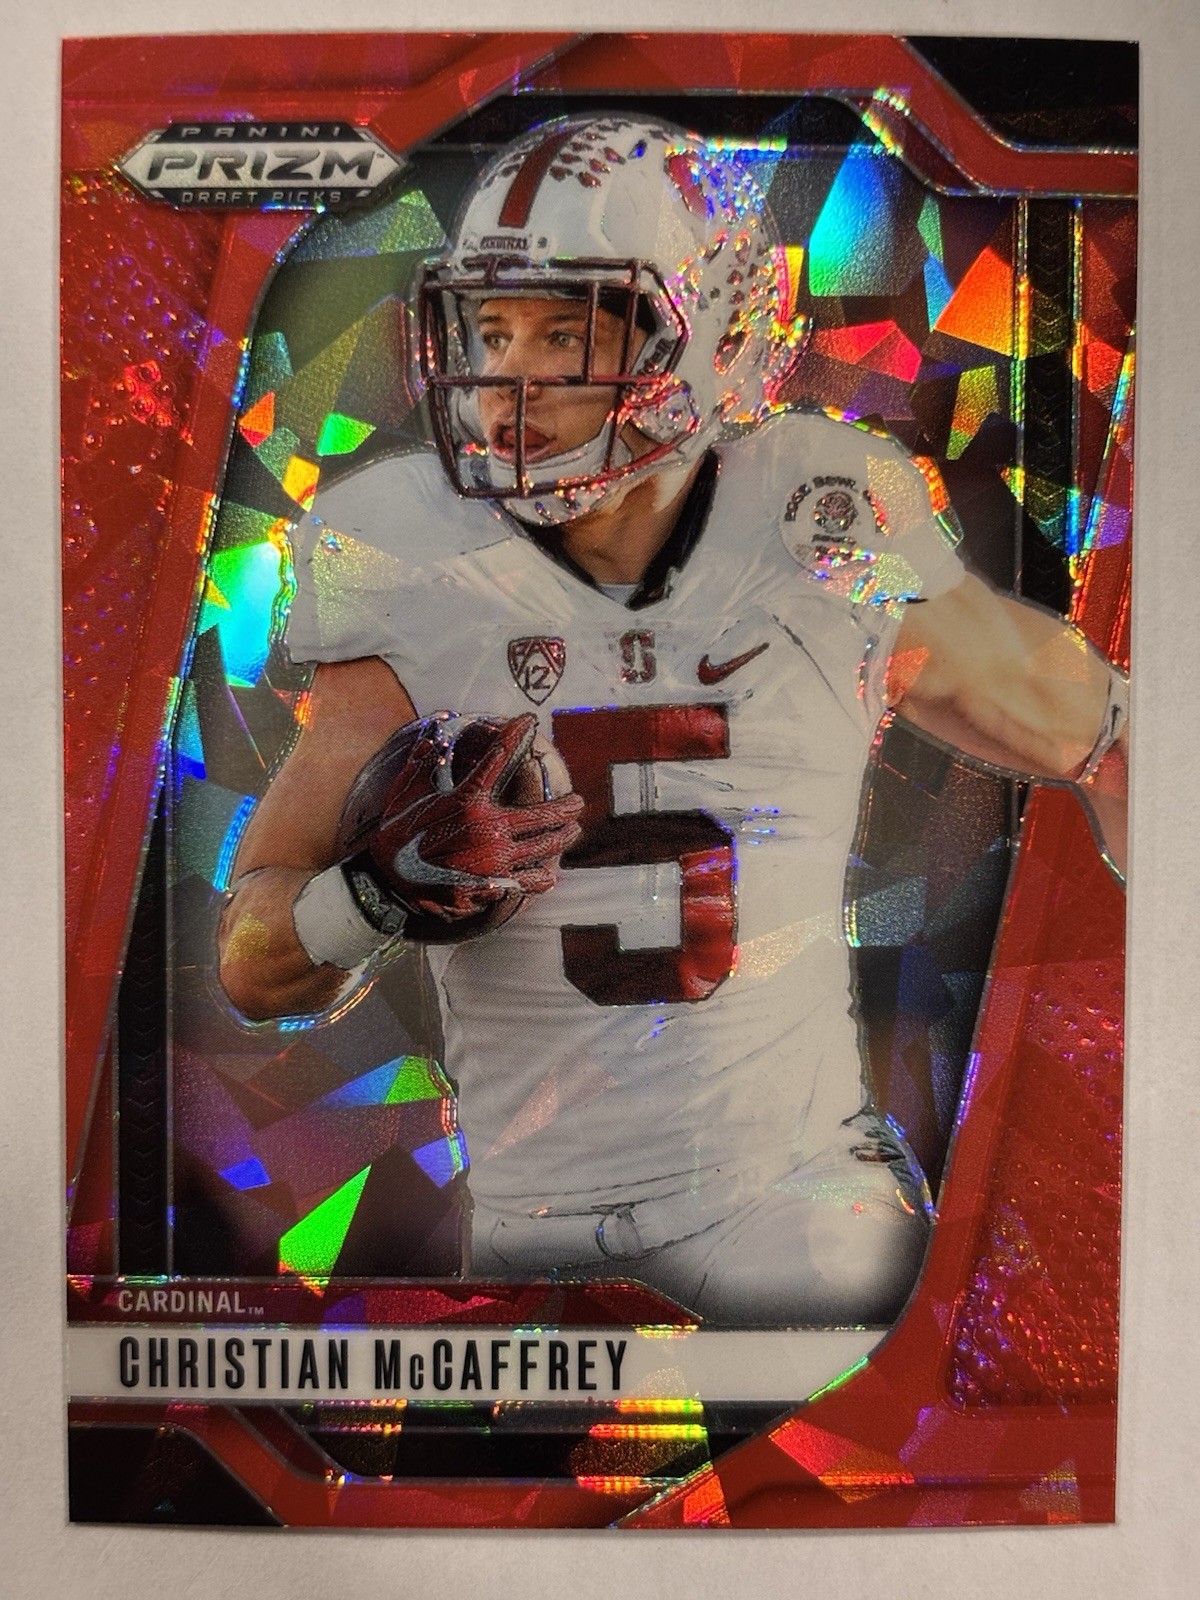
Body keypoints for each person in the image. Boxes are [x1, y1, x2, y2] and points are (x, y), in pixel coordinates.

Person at [217, 115, 1127, 1328]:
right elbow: (252, 961)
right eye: (491, 331)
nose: (511, 385)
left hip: (791, 1206)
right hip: (533, 1226)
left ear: (712, 333)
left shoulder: (817, 513)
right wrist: (372, 893)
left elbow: (1092, 730)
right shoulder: (403, 551)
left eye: (565, 332)